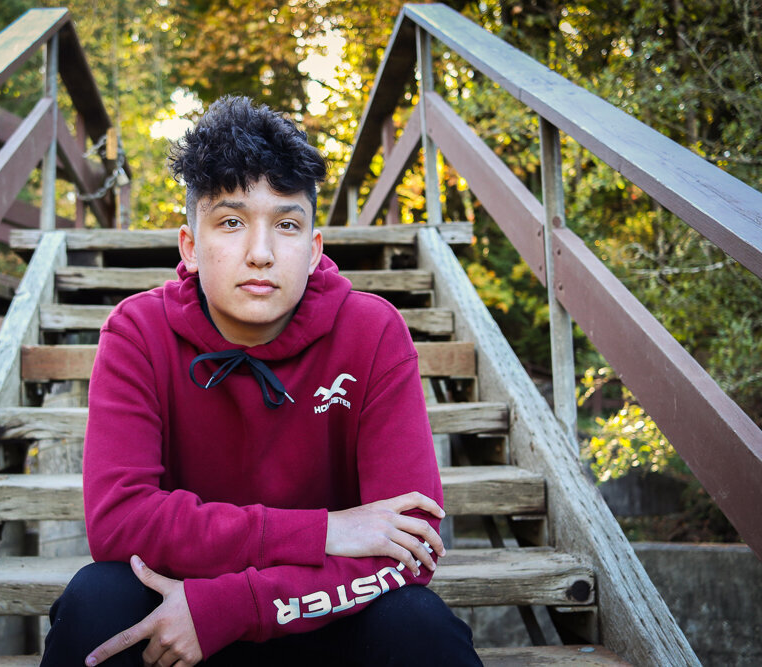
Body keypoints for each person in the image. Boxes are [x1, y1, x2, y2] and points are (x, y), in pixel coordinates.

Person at [40, 96, 480, 666]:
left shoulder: (372, 332)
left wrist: (237, 606)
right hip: (177, 620)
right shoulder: (138, 332)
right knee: (98, 600)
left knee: (418, 624)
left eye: (287, 225)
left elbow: (413, 542)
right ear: (190, 246)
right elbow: (120, 522)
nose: (261, 253)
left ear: (314, 249)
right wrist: (323, 531)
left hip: (320, 612)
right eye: (231, 222)